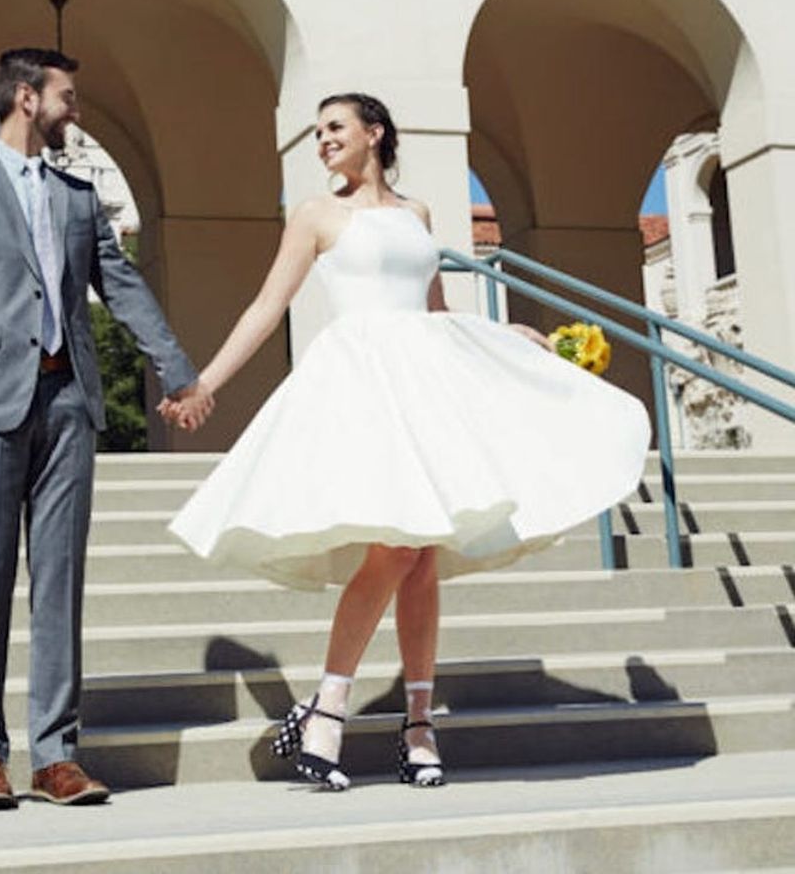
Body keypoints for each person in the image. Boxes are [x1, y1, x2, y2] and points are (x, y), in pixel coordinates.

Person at [163, 92, 650, 790]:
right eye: (319, 132)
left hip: (424, 381)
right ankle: (327, 708)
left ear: (374, 133)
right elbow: (267, 306)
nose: (323, 140)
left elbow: (435, 313)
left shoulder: (418, 214)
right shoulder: (315, 215)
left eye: (335, 128)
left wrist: (504, 334)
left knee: (422, 553)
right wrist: (202, 382)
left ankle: (419, 724)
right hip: (361, 385)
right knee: (393, 545)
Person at [0, 48, 213, 810]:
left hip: (68, 401)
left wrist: (178, 369)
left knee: (61, 580)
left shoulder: (78, 196)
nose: (76, 110)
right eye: (66, 96)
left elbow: (124, 287)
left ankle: (55, 755)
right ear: (24, 96)